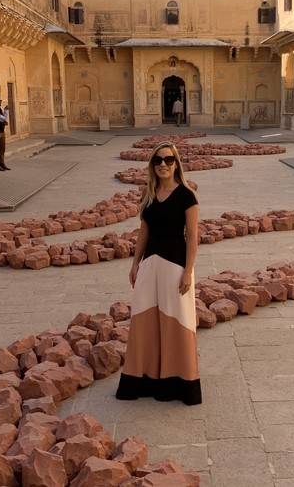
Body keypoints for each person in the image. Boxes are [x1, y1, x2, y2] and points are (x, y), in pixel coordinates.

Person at [116, 141, 201, 406]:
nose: (163, 164)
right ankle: (144, 378)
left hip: (175, 266)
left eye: (168, 160)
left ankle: (179, 382)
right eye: (158, 161)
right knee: (144, 319)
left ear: (176, 163)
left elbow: (193, 237)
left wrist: (188, 271)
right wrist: (135, 263)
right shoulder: (149, 193)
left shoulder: (188, 195)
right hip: (150, 264)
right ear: (152, 165)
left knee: (177, 321)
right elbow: (144, 231)